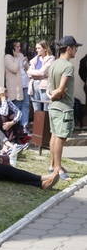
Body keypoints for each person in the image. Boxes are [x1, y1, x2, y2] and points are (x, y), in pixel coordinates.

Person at [47, 36, 82, 181]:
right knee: (60, 138)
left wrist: (50, 95)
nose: (76, 51)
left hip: (54, 107)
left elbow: (50, 87)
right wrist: (53, 95)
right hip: (63, 107)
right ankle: (58, 169)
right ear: (68, 49)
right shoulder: (68, 66)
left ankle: (52, 165)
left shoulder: (54, 63)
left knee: (54, 135)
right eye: (75, 48)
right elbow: (61, 89)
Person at [4, 39, 30, 133]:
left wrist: (26, 62)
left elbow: (26, 68)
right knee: (17, 105)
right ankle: (17, 127)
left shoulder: (21, 55)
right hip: (16, 86)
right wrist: (16, 58)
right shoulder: (8, 57)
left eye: (20, 46)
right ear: (12, 48)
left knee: (26, 104)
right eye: (17, 47)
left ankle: (24, 125)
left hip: (25, 83)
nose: (19, 48)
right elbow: (14, 69)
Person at [27, 40, 54, 113]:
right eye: (36, 48)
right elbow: (29, 72)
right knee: (36, 110)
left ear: (45, 49)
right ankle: (38, 124)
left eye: (39, 48)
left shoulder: (51, 58)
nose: (36, 50)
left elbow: (42, 72)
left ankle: (46, 124)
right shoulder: (35, 59)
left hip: (44, 85)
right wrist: (40, 74)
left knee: (46, 109)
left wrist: (36, 74)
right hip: (33, 85)